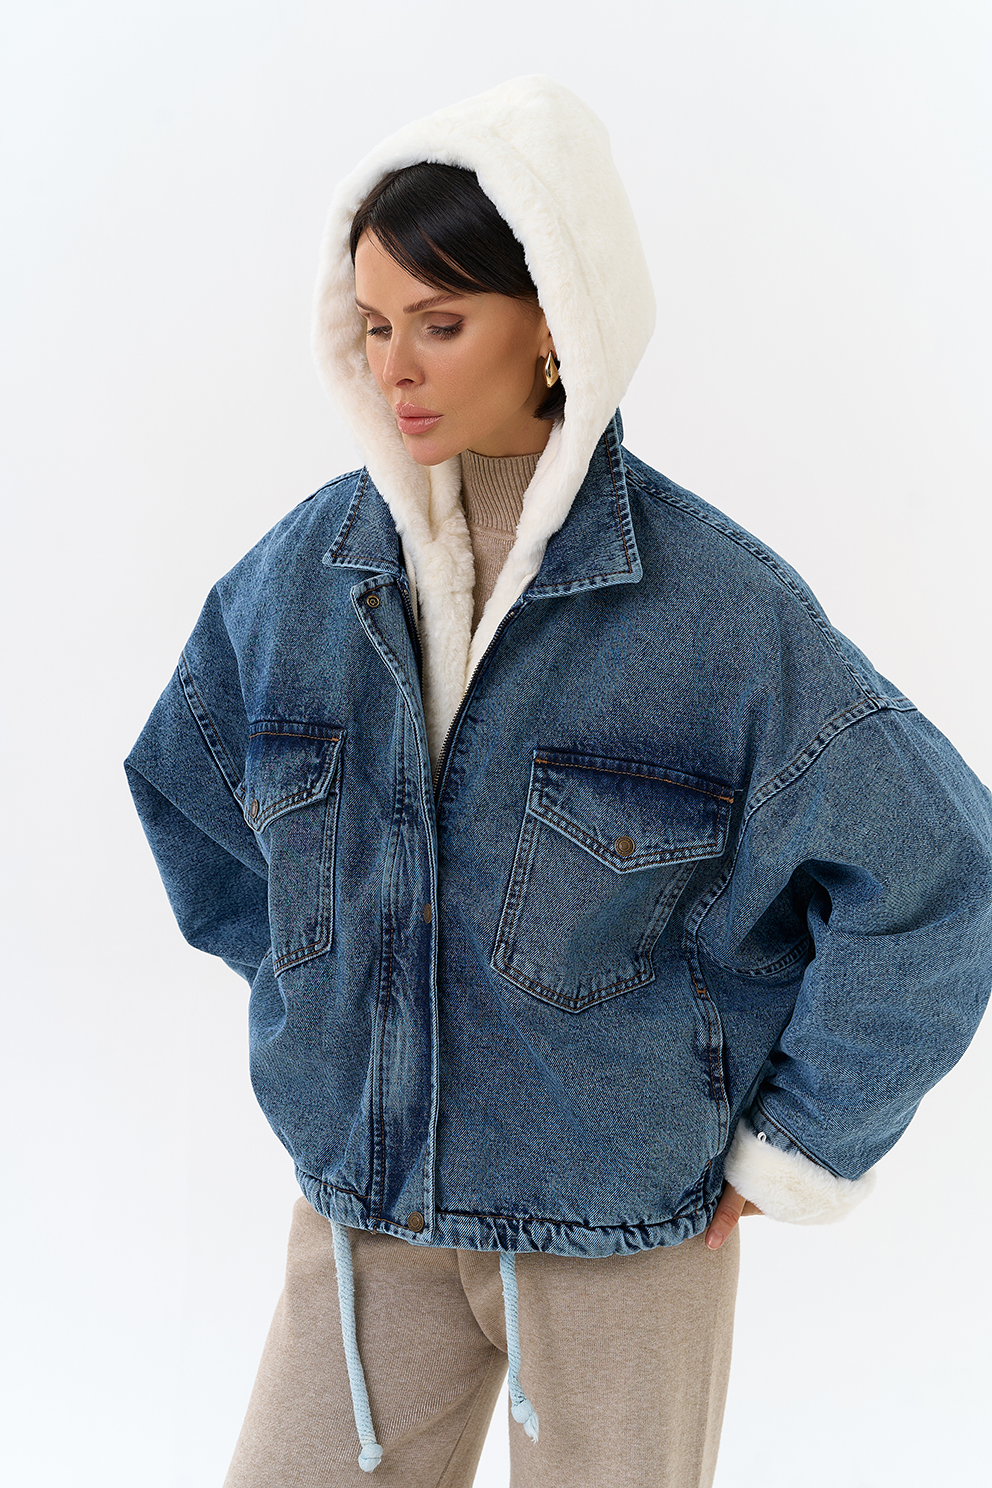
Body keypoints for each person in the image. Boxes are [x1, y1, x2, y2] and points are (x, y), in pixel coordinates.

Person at [125, 76, 992, 1487]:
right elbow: (192, 792)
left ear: (553, 324)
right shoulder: (298, 583)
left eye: (441, 323)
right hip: (369, 1210)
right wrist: (327, 1002)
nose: (397, 367)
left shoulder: (721, 615)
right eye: (375, 326)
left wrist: (796, 1140)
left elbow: (938, 875)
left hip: (619, 1230)